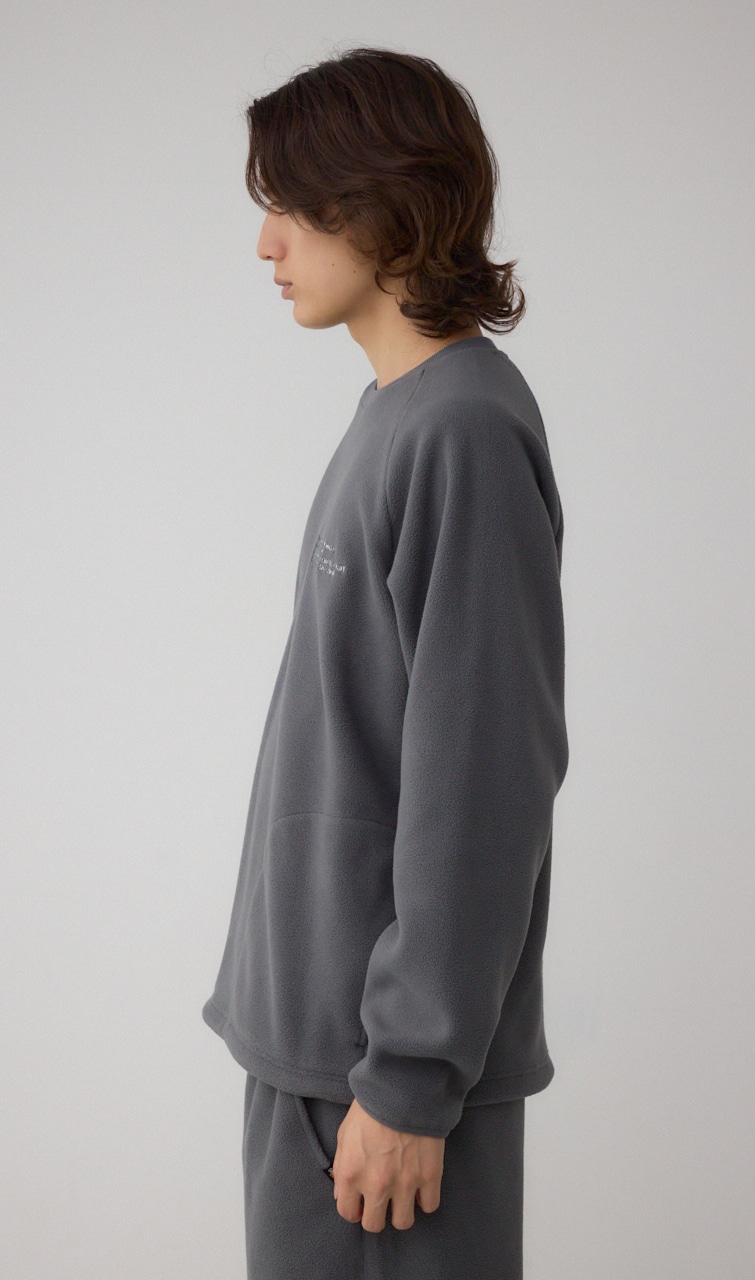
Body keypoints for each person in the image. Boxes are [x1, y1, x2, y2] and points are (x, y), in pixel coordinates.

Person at [202, 44, 569, 1280]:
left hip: (380, 1087)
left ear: (378, 201)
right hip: (319, 1056)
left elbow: (485, 780)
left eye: (291, 207)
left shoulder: (462, 430)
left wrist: (410, 1077)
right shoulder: (395, 415)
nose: (267, 244)